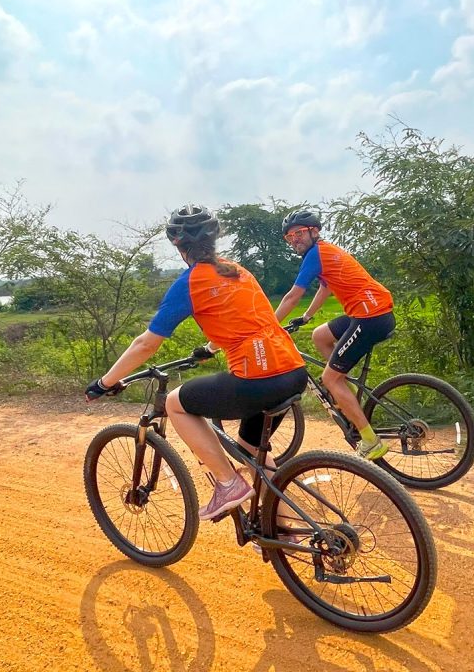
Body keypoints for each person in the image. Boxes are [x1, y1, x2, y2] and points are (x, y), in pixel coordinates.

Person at [86, 204, 308, 520]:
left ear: (177, 244)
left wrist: (104, 382)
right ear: (215, 239)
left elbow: (146, 344)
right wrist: (209, 348)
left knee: (176, 403)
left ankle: (229, 484)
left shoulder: (191, 282)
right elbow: (245, 320)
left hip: (257, 378)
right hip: (292, 371)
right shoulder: (237, 270)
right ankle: (285, 524)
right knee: (250, 447)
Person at [273, 209, 395, 460]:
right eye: (289, 237)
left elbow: (292, 295)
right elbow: (326, 287)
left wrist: (268, 327)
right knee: (320, 335)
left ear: (314, 231)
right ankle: (346, 391)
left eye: (298, 233)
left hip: (370, 316)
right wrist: (306, 317)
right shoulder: (326, 251)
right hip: (372, 311)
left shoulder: (315, 254)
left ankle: (371, 442)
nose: (294, 239)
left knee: (330, 379)